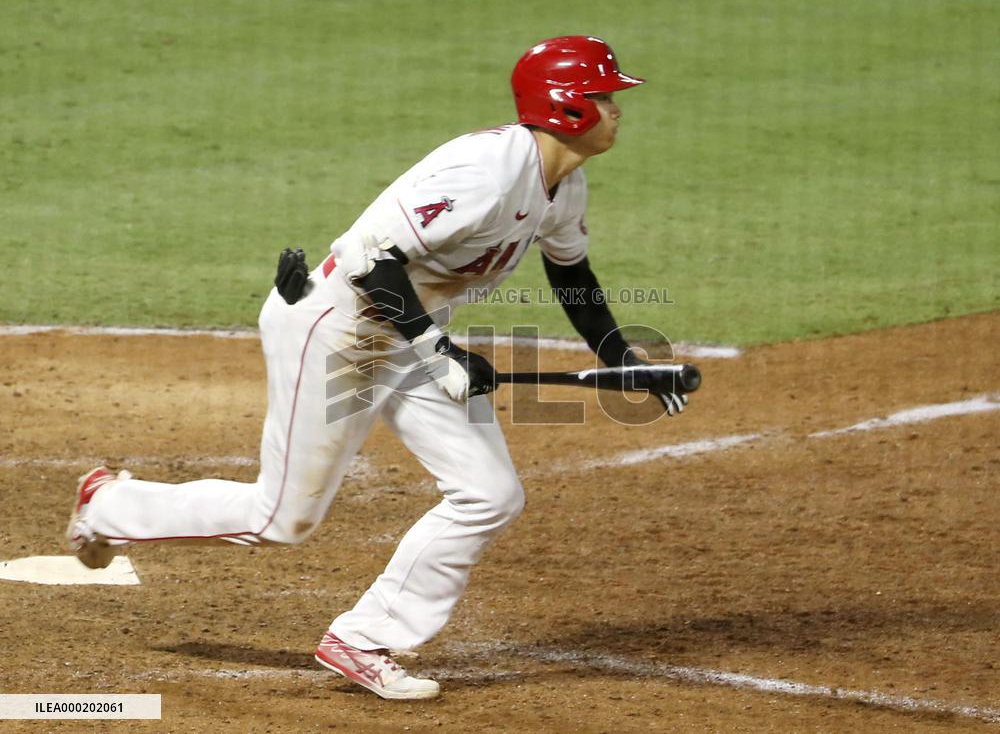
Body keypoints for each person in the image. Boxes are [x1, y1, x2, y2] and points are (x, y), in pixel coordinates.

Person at [65, 36, 690, 700]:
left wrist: (621, 360)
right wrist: (434, 351)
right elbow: (368, 260)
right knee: (281, 521)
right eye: (604, 96)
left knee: (490, 495)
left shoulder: (562, 185)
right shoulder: (484, 174)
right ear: (566, 109)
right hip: (336, 330)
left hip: (406, 334)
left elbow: (573, 274)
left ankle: (364, 639)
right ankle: (108, 505)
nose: (617, 108)